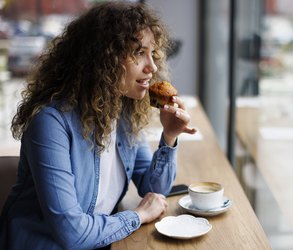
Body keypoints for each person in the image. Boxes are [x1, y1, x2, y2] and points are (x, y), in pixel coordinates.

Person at [0, 2, 196, 249]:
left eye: (152, 54)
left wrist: (169, 136)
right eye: (138, 53)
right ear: (103, 58)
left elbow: (154, 189)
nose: (153, 67)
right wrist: (138, 216)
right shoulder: (50, 124)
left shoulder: (123, 112)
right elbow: (73, 233)